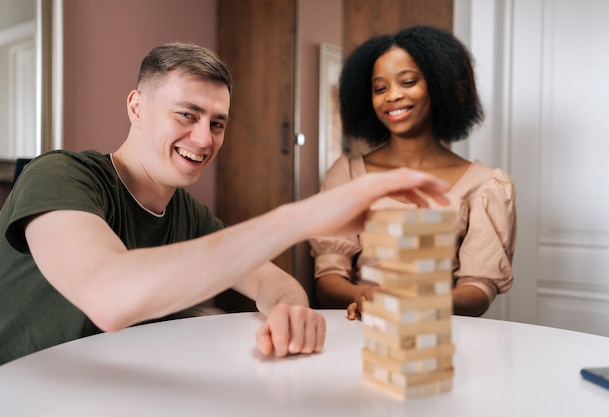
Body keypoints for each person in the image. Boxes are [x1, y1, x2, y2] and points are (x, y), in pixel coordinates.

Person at [0, 42, 452, 366]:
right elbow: (109, 297)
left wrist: (288, 310)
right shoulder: (59, 175)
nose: (204, 138)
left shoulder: (186, 213)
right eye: (187, 114)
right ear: (137, 107)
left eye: (218, 123)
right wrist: (301, 217)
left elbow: (272, 281)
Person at [309, 25, 517, 319]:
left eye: (407, 82)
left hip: (441, 339)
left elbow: (478, 292)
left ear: (439, 85)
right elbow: (327, 281)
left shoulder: (485, 185)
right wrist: (366, 296)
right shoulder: (348, 174)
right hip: (363, 334)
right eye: (380, 88)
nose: (392, 96)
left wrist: (416, 302)